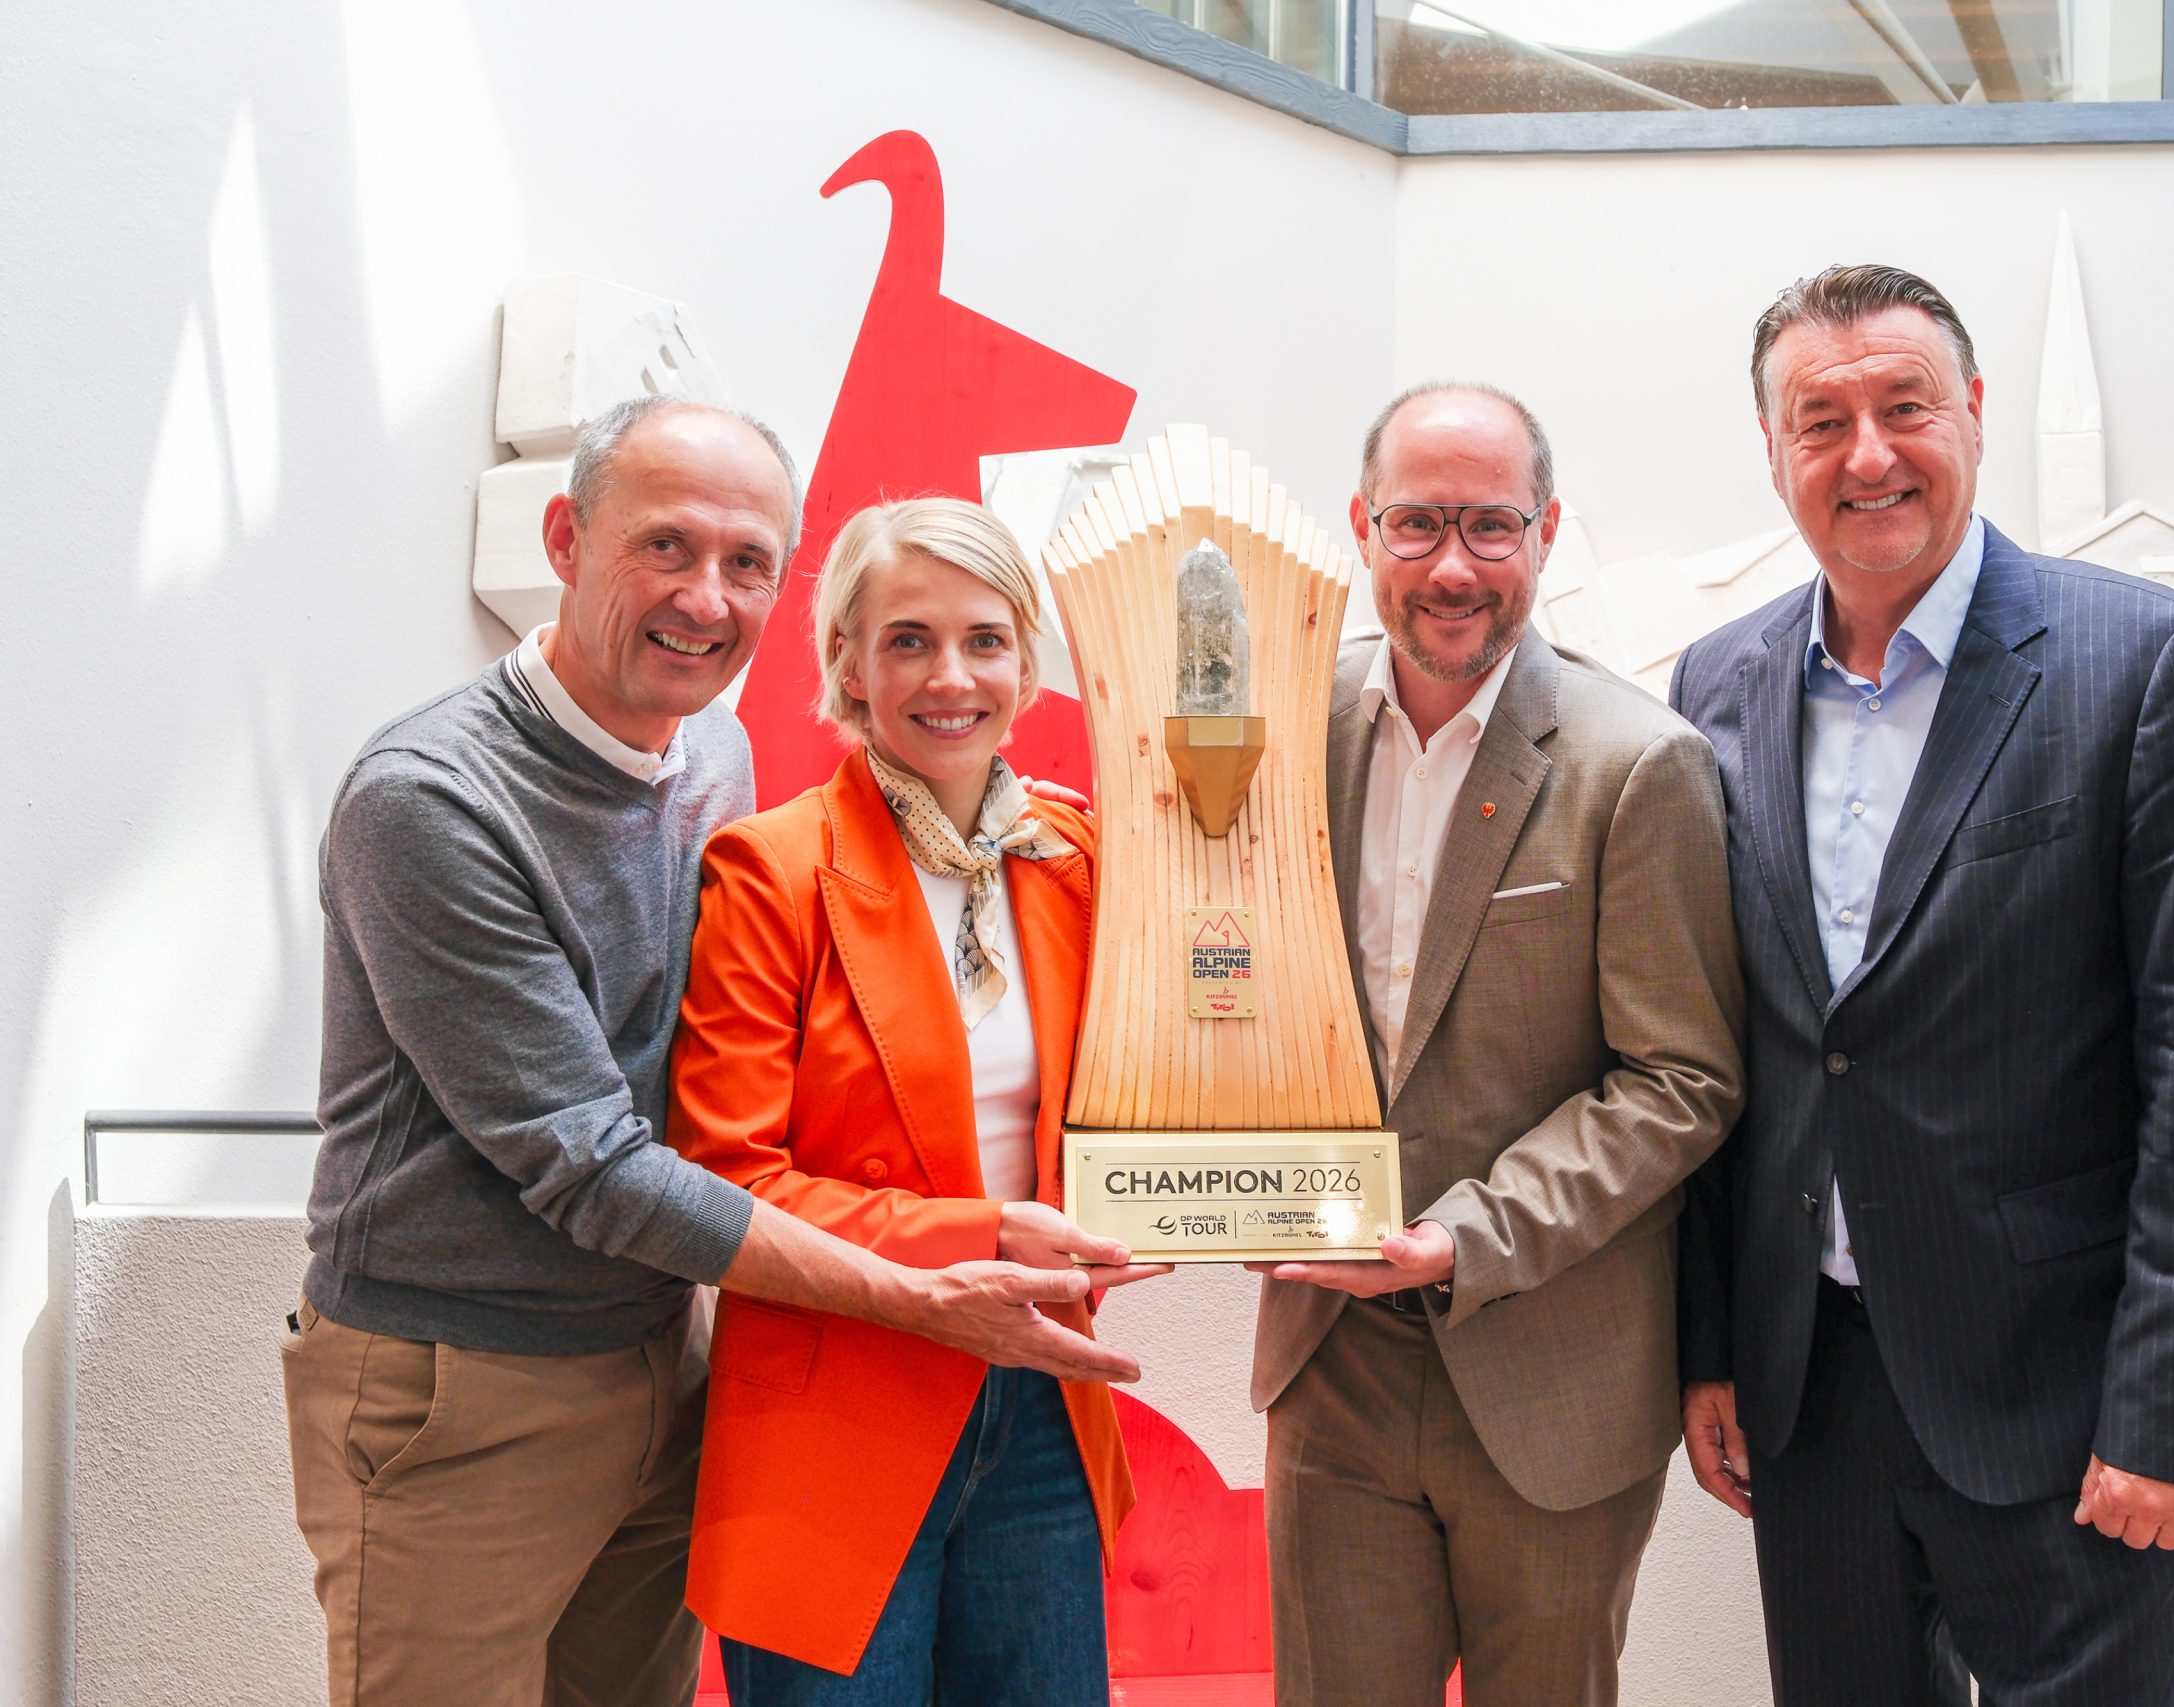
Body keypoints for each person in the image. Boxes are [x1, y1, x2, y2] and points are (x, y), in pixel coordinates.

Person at [284, 399, 1139, 1707]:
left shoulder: (712, 752)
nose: (706, 597)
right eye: (665, 546)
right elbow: (599, 1165)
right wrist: (931, 1280)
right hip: (465, 1374)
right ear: (565, 539)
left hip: (659, 1346)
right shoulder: (432, 798)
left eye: (747, 562)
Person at [1670, 264, 2174, 1704]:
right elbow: (1719, 1042)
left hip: (2066, 1406)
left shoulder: (2147, 660)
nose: (1867, 454)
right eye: (1821, 421)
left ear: (1976, 414)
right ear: (1771, 449)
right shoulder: (1713, 685)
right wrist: (1711, 1346)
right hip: (1810, 1394)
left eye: (1906, 406)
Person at [1248, 384, 1748, 1707]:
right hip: (1333, 1365)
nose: (1453, 567)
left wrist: (1462, 1235)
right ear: (1362, 525)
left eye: (1491, 524)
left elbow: (1681, 1082)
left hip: (1554, 1375)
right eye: (1417, 523)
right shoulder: (1275, 733)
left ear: (1546, 531)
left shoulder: (1641, 763)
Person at [666, 497, 1163, 1704]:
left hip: (1038, 1405)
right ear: (847, 662)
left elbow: (1173, 1076)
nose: (951, 677)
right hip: (835, 1414)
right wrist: (983, 1236)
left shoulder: (1078, 859)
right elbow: (724, 1180)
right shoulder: (770, 869)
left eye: (984, 640)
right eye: (907, 641)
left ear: (1027, 665)